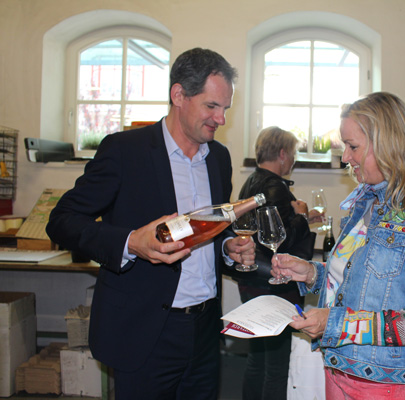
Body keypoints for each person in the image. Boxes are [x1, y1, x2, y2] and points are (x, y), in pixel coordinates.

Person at [46, 48, 254, 400]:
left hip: (204, 330)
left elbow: (211, 229)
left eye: (225, 109)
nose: (220, 119)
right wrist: (131, 243)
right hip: (145, 330)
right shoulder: (125, 151)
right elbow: (62, 222)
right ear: (178, 96)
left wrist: (228, 247)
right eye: (211, 106)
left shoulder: (218, 159)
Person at [270, 92, 405, 400]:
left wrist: (336, 324)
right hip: (341, 367)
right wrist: (312, 274)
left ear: (387, 144)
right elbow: (366, 280)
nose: (345, 157)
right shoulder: (367, 201)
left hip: (385, 383)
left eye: (353, 146)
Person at [235, 126, 322, 400]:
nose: (294, 160)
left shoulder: (250, 182)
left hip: (251, 279)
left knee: (257, 356)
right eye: (294, 153)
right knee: (276, 362)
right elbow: (279, 242)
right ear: (283, 154)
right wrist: (302, 217)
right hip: (275, 281)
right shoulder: (276, 188)